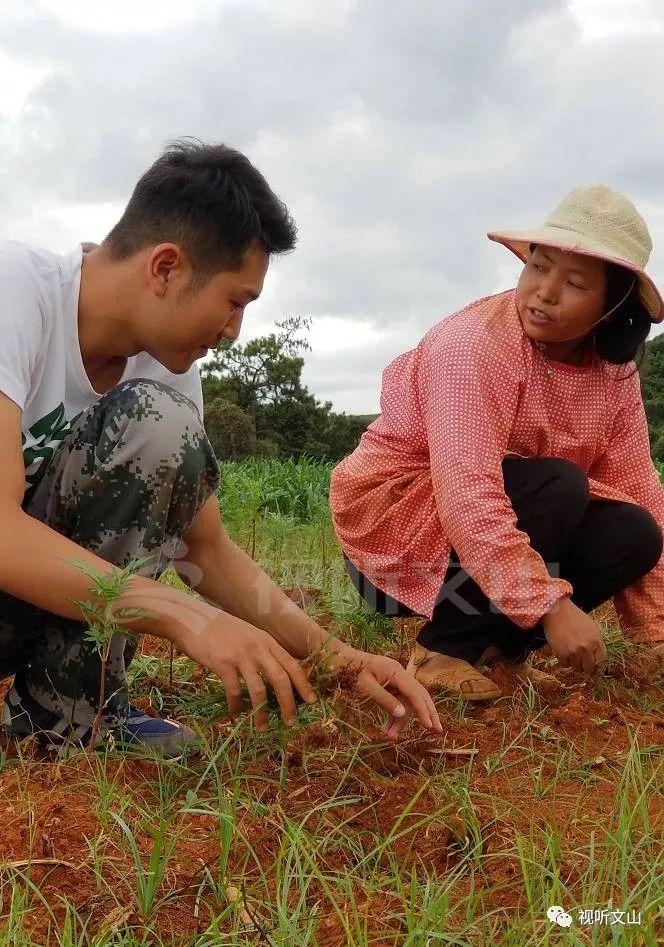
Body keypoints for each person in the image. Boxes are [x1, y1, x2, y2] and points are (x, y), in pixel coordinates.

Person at [0, 139, 442, 756]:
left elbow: (201, 547)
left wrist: (338, 660)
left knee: (160, 424)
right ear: (165, 268)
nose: (234, 331)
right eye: (236, 301)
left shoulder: (163, 367)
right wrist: (187, 618)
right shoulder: (15, 292)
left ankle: (66, 718)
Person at [330, 185, 664, 701]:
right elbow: (467, 495)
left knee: (635, 530)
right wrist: (549, 607)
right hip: (395, 533)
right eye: (539, 266)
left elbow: (640, 489)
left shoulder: (613, 380)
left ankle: (499, 653)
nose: (544, 292)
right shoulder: (473, 346)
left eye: (574, 282)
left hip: (504, 528)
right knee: (562, 485)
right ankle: (444, 651)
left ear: (612, 304)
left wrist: (655, 638)